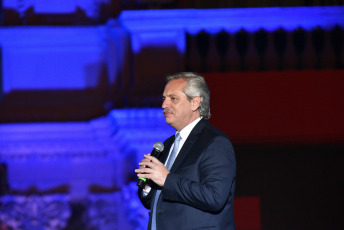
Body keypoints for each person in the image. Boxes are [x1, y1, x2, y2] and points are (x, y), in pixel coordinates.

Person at [135, 72, 236, 230]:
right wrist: (148, 183)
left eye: (173, 99)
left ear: (195, 102)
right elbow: (159, 202)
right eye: (164, 99)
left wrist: (166, 179)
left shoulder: (215, 142)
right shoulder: (168, 145)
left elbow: (215, 197)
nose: (164, 105)